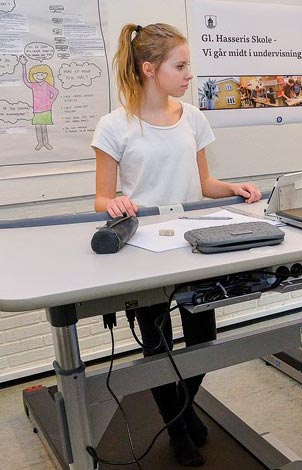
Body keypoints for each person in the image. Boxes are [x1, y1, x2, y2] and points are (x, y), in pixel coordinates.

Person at [92, 23, 262, 466]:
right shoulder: (115, 126)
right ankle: (178, 430)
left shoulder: (193, 118)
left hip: (194, 243)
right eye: (180, 66)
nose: (190, 75)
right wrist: (116, 202)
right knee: (157, 346)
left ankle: (182, 410)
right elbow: (101, 197)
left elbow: (203, 183)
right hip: (143, 250)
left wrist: (235, 188)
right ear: (149, 69)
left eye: (189, 66)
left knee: (204, 336)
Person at [19, 57, 59, 151]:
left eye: (42, 74)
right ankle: (40, 143)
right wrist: (24, 65)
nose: (39, 76)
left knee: (44, 128)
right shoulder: (33, 85)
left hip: (46, 110)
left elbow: (56, 92)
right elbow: (25, 81)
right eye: (36, 74)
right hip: (37, 110)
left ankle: (46, 143)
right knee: (37, 128)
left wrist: (50, 101)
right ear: (33, 75)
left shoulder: (47, 85)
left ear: (46, 75)